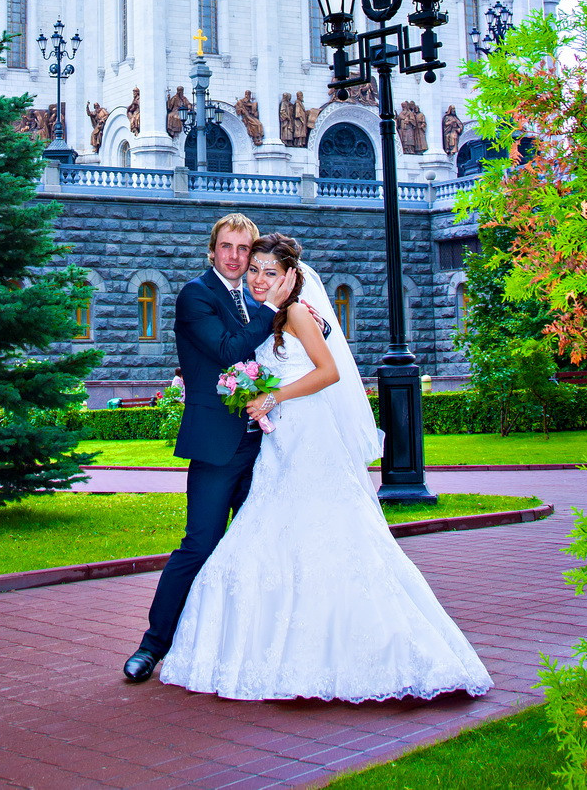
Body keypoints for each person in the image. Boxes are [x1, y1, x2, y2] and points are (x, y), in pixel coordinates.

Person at [160, 233, 493, 702]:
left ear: (291, 276)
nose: (258, 278)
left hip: (309, 434)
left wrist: (273, 396)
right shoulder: (262, 312)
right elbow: (237, 349)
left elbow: (329, 371)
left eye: (269, 272)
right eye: (253, 270)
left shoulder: (296, 311)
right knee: (271, 536)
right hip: (279, 442)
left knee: (328, 532)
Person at [122, 213, 293, 683]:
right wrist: (272, 309)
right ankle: (152, 646)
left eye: (244, 248)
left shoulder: (258, 296)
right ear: (212, 250)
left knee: (263, 546)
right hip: (218, 446)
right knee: (200, 545)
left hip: (268, 446)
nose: (235, 257)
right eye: (226, 247)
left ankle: (251, 648)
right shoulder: (196, 295)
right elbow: (227, 350)